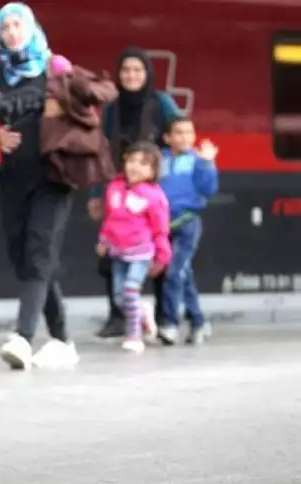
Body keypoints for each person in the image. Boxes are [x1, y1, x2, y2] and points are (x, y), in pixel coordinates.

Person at [0, 2, 79, 371]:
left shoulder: (57, 67)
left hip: (52, 177)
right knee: (27, 256)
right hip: (13, 177)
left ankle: (23, 336)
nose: (12, 33)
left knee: (39, 251)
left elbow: (84, 112)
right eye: (5, 28)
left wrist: (61, 114)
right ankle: (64, 340)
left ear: (32, 28)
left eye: (18, 25)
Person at [88, 47, 182, 339]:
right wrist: (96, 193)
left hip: (155, 193)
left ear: (147, 74)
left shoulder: (161, 103)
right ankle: (119, 317)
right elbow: (101, 149)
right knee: (114, 253)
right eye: (126, 70)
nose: (131, 75)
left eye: (137, 70)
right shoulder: (113, 107)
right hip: (118, 189)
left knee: (159, 256)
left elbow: (179, 134)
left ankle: (166, 319)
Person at [96, 141, 171, 353]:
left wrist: (162, 255)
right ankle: (143, 312)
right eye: (132, 161)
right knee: (120, 298)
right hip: (118, 252)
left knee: (130, 288)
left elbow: (161, 228)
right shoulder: (114, 188)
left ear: (154, 171)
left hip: (141, 253)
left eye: (144, 163)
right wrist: (104, 240)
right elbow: (109, 219)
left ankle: (134, 335)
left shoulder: (154, 196)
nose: (135, 167)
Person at [158, 117, 218, 345]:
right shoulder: (160, 159)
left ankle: (170, 324)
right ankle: (199, 322)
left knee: (174, 274)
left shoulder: (198, 160)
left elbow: (209, 189)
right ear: (167, 138)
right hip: (163, 226)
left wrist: (207, 163)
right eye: (178, 133)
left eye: (189, 132)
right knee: (183, 275)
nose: (184, 137)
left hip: (187, 224)